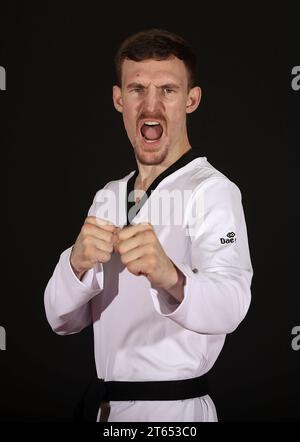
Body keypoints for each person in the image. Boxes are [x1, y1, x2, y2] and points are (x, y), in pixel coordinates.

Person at [44, 28, 253, 422]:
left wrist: (170, 275)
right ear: (118, 99)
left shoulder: (212, 190)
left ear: (191, 100)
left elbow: (232, 304)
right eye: (138, 89)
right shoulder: (108, 195)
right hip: (105, 410)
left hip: (172, 414)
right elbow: (59, 318)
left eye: (168, 91)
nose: (150, 106)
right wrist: (75, 264)